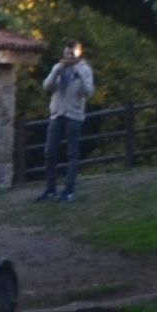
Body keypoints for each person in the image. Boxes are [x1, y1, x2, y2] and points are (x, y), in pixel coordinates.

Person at [39, 42, 98, 200]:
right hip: (57, 114)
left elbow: (89, 92)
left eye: (72, 54)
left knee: (72, 154)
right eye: (67, 54)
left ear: (78, 54)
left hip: (74, 115)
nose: (69, 57)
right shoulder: (58, 68)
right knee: (49, 152)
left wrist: (78, 74)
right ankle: (50, 190)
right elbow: (46, 86)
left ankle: (69, 190)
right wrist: (56, 71)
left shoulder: (85, 69)